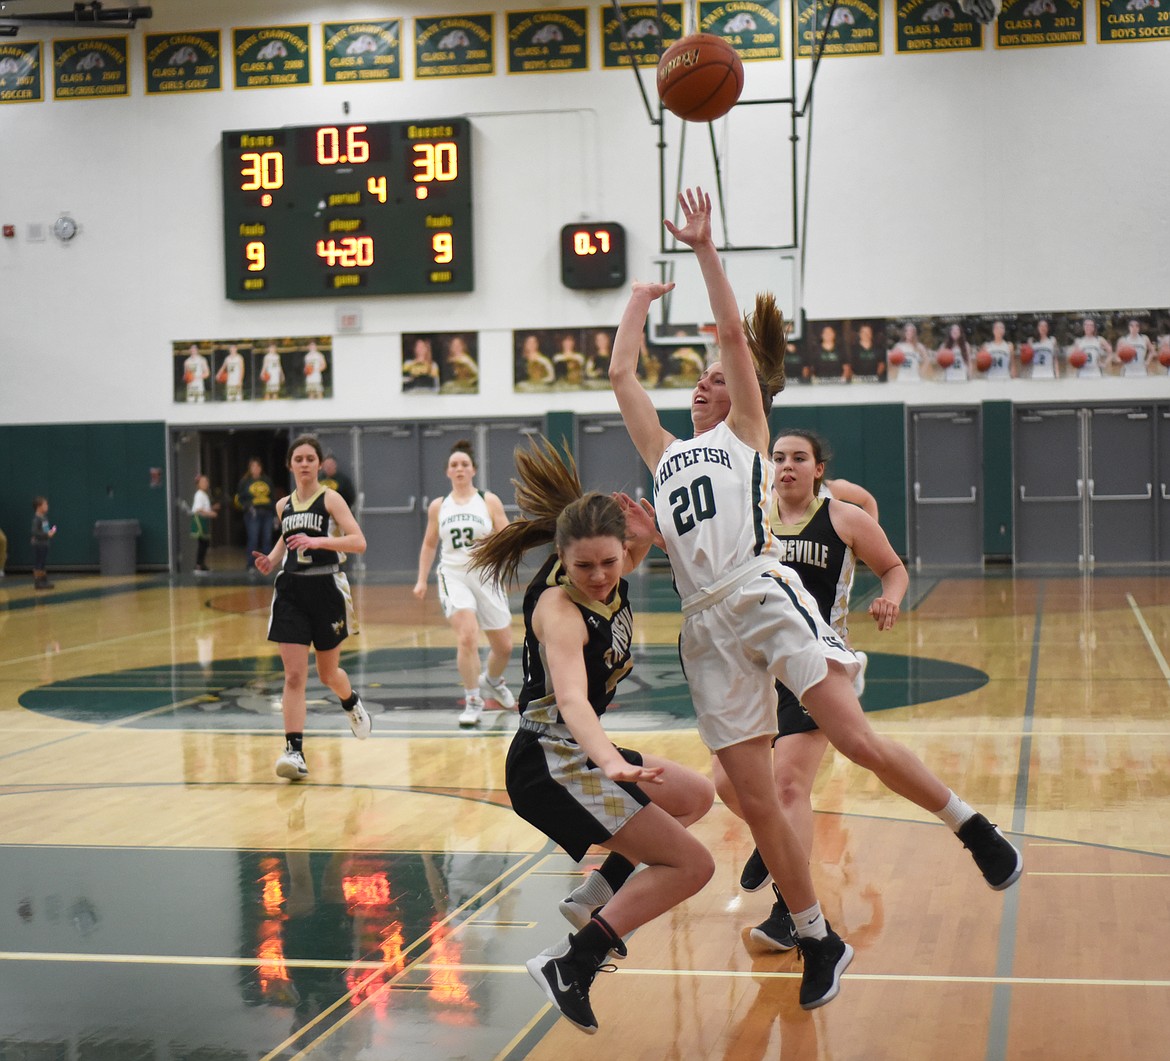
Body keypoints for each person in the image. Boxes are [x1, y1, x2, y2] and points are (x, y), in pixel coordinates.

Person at [608, 188, 1023, 1011]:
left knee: (853, 738)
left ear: (745, 393)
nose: (704, 382)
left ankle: (970, 824)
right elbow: (623, 372)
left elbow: (731, 333)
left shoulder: (746, 436)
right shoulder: (663, 453)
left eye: (719, 378)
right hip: (705, 629)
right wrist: (635, 300)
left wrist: (702, 252)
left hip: (761, 595)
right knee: (756, 800)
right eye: (697, 378)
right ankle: (813, 934)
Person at [469, 436, 715, 1035]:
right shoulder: (559, 608)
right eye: (585, 566)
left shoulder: (614, 561)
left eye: (612, 561)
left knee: (695, 797)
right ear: (560, 557)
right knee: (693, 866)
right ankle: (570, 965)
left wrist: (650, 534)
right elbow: (574, 700)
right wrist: (610, 761)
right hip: (554, 761)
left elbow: (634, 554)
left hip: (576, 755)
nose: (602, 575)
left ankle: (594, 896)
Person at [725, 429, 907, 951]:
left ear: (817, 469)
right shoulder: (751, 520)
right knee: (726, 783)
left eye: (798, 458)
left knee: (788, 788)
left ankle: (789, 913)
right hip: (759, 668)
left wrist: (890, 597)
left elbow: (892, 567)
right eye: (778, 457)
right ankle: (776, 841)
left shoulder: (843, 517)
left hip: (816, 667)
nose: (786, 466)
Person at [252, 435, 370, 781]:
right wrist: (272, 560)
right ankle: (294, 751)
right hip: (291, 590)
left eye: (309, 458)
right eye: (298, 459)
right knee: (293, 675)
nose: (304, 464)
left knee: (328, 673)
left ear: (319, 464)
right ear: (290, 465)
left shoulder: (330, 499)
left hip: (327, 588)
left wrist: (319, 541)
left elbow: (358, 542)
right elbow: (287, 540)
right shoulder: (282, 505)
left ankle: (350, 702)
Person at [413, 439, 517, 727]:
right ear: (448, 472)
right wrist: (422, 579)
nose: (459, 469)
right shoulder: (439, 506)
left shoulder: (488, 500)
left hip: (486, 575)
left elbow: (507, 535)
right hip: (453, 574)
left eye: (464, 465)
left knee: (505, 646)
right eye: (454, 465)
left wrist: (507, 563)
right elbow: (429, 545)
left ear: (473, 470)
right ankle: (473, 699)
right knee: (467, 636)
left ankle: (492, 681)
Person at [236, 458, 277, 574]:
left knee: (267, 539)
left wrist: (275, 514)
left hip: (267, 512)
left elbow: (273, 497)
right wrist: (247, 507)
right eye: (253, 467)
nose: (256, 469)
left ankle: (268, 564)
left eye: (258, 466)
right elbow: (239, 499)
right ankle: (251, 564)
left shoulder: (267, 480)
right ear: (250, 469)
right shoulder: (245, 482)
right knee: (253, 539)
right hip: (252, 513)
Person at [190, 474, 218, 574]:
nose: (206, 484)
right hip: (199, 521)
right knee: (202, 544)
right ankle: (198, 565)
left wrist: (213, 508)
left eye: (207, 482)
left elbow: (205, 507)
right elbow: (199, 509)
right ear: (198, 484)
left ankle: (202, 564)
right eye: (203, 482)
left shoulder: (204, 494)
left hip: (204, 520)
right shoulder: (199, 494)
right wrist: (211, 513)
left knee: (205, 544)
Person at [30, 496, 56, 590]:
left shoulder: (44, 518)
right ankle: (38, 582)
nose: (47, 506)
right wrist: (46, 534)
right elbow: (35, 532)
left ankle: (44, 580)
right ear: (39, 506)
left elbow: (45, 530)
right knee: (39, 563)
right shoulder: (36, 519)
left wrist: (50, 532)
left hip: (44, 544)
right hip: (39, 544)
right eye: (45, 504)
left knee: (43, 563)